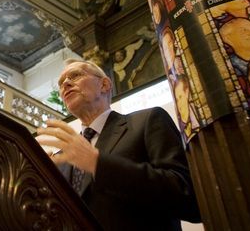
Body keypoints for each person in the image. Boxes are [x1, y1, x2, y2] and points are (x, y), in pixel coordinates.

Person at [37, 60, 200, 231]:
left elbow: (187, 199)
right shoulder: (63, 158)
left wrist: (97, 163)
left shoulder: (148, 121)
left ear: (104, 85)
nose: (66, 84)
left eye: (75, 75)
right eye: (61, 83)